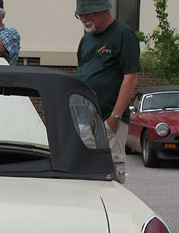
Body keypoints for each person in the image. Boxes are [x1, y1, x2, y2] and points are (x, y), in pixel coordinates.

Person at [75, 0, 140, 183]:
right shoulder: (86, 39)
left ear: (104, 10)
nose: (83, 19)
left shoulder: (123, 35)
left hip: (110, 118)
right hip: (85, 116)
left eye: (88, 14)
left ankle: (114, 210)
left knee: (112, 168)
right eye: (80, 15)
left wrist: (115, 117)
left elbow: (131, 78)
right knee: (84, 167)